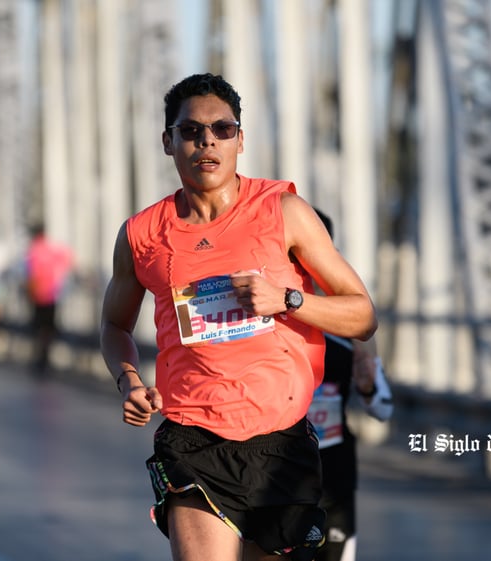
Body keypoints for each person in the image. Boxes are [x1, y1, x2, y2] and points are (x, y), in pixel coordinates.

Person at [100, 73, 377, 561]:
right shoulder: (142, 234)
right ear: (168, 142)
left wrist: (288, 300)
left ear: (240, 140)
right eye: (190, 131)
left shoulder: (284, 211)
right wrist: (129, 381)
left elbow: (363, 315)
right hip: (192, 439)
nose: (207, 140)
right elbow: (115, 325)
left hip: (281, 441)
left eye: (222, 130)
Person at [307, 209, 393, 561]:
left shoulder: (349, 321)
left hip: (333, 472)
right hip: (273, 467)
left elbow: (383, 409)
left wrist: (369, 384)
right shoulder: (260, 316)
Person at [25, 223, 73, 375]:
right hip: (51, 294)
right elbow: (68, 259)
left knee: (38, 328)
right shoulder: (52, 248)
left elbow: (28, 273)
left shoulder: (33, 250)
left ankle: (40, 359)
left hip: (37, 294)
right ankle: (45, 359)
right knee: (48, 328)